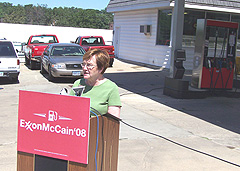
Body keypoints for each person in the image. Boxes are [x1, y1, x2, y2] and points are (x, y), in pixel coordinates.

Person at [69, 49, 121, 118]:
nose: (84, 68)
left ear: (101, 68)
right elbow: (68, 108)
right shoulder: (78, 83)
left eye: (89, 65)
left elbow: (113, 121)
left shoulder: (111, 88)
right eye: (83, 64)